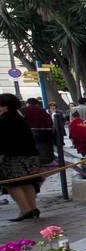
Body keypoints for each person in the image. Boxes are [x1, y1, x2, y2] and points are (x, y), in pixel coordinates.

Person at [0, 93, 43, 221]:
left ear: (5, 106)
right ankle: (32, 207)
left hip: (14, 157)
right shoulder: (19, 118)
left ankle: (25, 209)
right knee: (27, 182)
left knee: (13, 184)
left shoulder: (4, 120)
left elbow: (3, 143)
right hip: (30, 155)